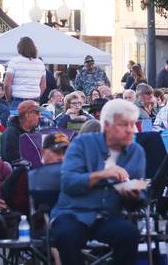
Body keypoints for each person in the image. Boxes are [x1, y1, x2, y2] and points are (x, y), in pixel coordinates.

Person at [51, 99, 144, 265]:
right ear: (107, 125)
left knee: (129, 234)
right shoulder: (81, 144)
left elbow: (140, 197)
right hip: (74, 212)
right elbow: (69, 183)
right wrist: (102, 174)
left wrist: (135, 195)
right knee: (65, 235)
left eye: (133, 125)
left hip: (107, 215)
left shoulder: (135, 152)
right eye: (124, 125)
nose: (131, 130)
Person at [4, 37, 46, 108]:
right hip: (34, 101)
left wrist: (9, 99)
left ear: (19, 48)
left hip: (18, 100)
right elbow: (43, 86)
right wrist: (37, 95)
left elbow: (7, 84)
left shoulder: (14, 61)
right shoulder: (40, 63)